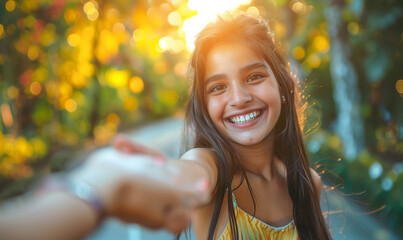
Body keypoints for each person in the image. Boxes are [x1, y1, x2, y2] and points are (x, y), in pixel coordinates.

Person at [116, 13, 332, 240]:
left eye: (254, 76)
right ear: (205, 106)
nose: (239, 99)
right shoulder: (212, 172)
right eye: (218, 87)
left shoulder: (309, 184)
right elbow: (190, 173)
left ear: (281, 84)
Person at [0, 135, 210, 240]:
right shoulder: (213, 157)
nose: (238, 99)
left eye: (246, 78)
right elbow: (195, 169)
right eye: (218, 87)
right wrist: (104, 184)